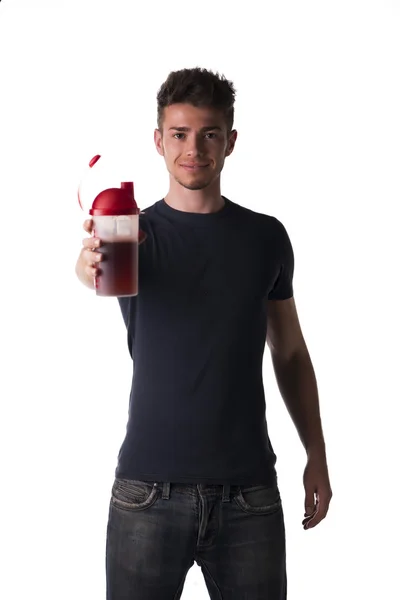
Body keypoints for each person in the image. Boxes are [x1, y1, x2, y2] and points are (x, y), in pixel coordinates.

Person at [75, 67, 332, 600]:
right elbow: (91, 271)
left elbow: (289, 351)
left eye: (209, 133)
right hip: (146, 491)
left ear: (230, 141)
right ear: (158, 140)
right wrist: (88, 263)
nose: (193, 148)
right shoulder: (132, 233)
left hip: (249, 496)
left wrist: (317, 453)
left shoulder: (266, 237)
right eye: (179, 134)